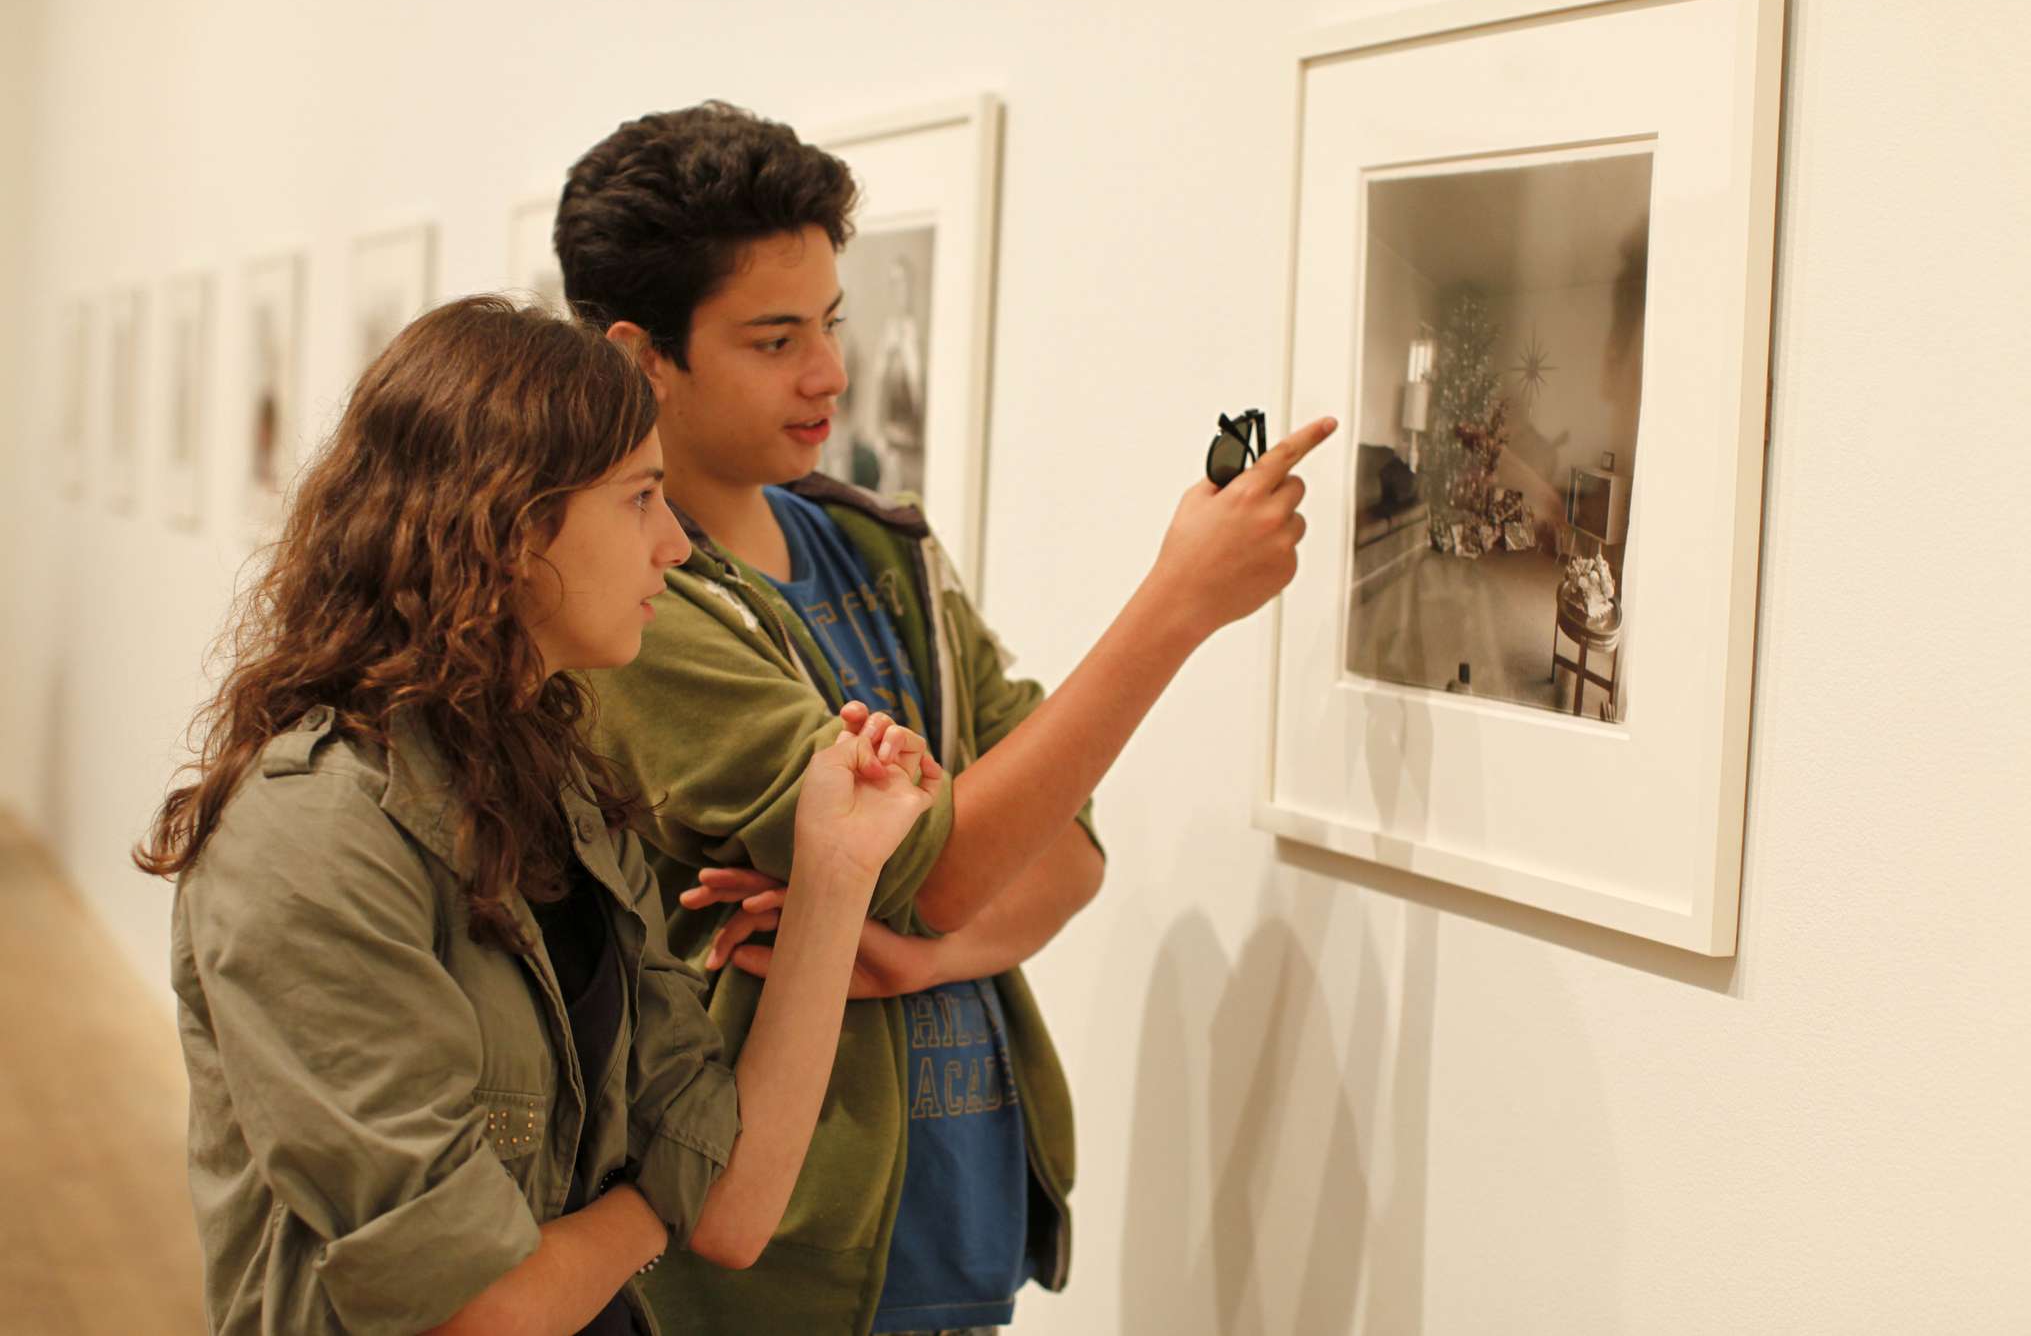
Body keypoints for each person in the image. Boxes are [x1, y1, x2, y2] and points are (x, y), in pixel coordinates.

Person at [554, 101, 1336, 1336]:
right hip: (773, 1269)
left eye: (830, 323)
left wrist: (923, 949)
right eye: (773, 339)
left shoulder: (878, 542)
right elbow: (941, 865)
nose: (829, 373)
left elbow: (1064, 851)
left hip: (956, 1229)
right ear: (641, 355)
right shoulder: (637, 612)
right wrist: (1174, 606)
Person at [138, 296, 954, 1335]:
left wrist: (836, 869)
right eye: (639, 498)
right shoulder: (309, 837)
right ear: (508, 527)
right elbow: (480, 1307)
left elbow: (738, 1204)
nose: (677, 546)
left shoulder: (547, 785)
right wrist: (655, 1199)